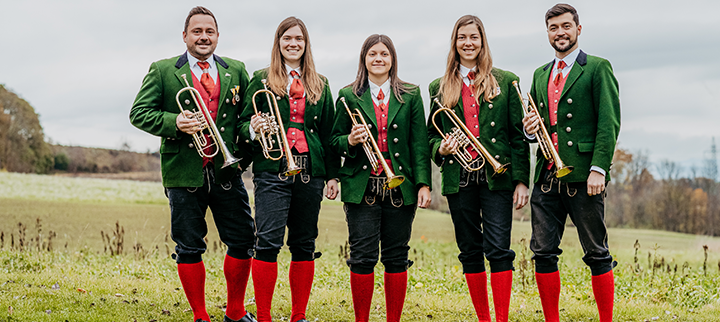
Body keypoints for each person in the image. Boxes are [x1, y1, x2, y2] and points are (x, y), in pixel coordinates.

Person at [129, 6, 256, 322]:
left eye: (209, 31)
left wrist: (249, 142)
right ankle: (200, 316)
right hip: (184, 170)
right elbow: (138, 113)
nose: (203, 37)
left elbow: (243, 122)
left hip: (226, 170)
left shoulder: (237, 70)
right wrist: (175, 122)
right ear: (185, 36)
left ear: (217, 36)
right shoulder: (162, 70)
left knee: (243, 238)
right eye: (197, 31)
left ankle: (236, 312)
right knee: (188, 246)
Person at [427, 15, 530, 322]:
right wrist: (442, 148)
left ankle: (501, 318)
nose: (468, 43)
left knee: (499, 249)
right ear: (454, 43)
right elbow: (430, 136)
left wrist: (521, 180)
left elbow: (517, 136)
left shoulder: (506, 80)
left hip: (496, 177)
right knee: (470, 249)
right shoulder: (439, 86)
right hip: (459, 178)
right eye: (462, 38)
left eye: (474, 37)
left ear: (482, 41)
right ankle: (483, 318)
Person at [522, 4, 621, 322]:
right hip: (547, 175)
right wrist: (528, 130)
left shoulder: (597, 67)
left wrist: (599, 169)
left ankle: (606, 318)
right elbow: (537, 122)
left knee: (596, 251)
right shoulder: (539, 74)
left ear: (579, 29)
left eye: (566, 26)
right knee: (543, 252)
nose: (560, 32)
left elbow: (609, 122)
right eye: (553, 28)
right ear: (547, 33)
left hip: (584, 175)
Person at [237, 16, 339, 322]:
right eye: (287, 38)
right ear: (278, 42)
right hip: (273, 168)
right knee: (267, 240)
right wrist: (253, 127)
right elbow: (241, 123)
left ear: (306, 45)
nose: (293, 44)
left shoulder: (321, 83)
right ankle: (265, 316)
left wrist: (332, 175)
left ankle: (298, 316)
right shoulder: (261, 79)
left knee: (304, 242)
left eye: (299, 39)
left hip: (310, 170)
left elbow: (329, 134)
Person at [330, 34, 432, 322]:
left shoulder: (411, 94)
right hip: (362, 187)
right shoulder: (347, 95)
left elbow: (419, 144)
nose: (378, 59)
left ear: (392, 59)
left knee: (396, 256)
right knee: (362, 257)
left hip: (400, 186)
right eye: (372, 54)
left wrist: (423, 183)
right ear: (364, 59)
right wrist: (349, 139)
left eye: (384, 54)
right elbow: (333, 141)